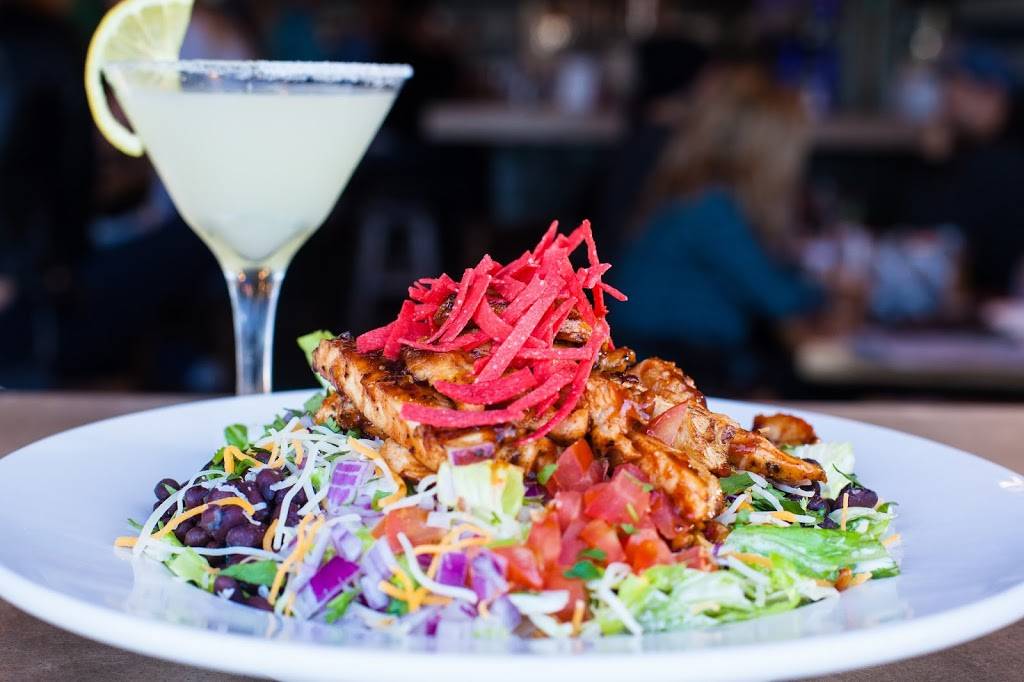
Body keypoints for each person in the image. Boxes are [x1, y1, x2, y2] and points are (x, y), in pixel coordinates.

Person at [613, 65, 822, 393]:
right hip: (672, 365)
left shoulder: (688, 196)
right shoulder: (709, 209)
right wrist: (833, 290)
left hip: (669, 358)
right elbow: (777, 297)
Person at [903, 44, 1024, 298]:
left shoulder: (1004, 165)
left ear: (996, 95)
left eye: (963, 86)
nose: (950, 97)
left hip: (995, 303)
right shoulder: (956, 154)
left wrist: (935, 165)